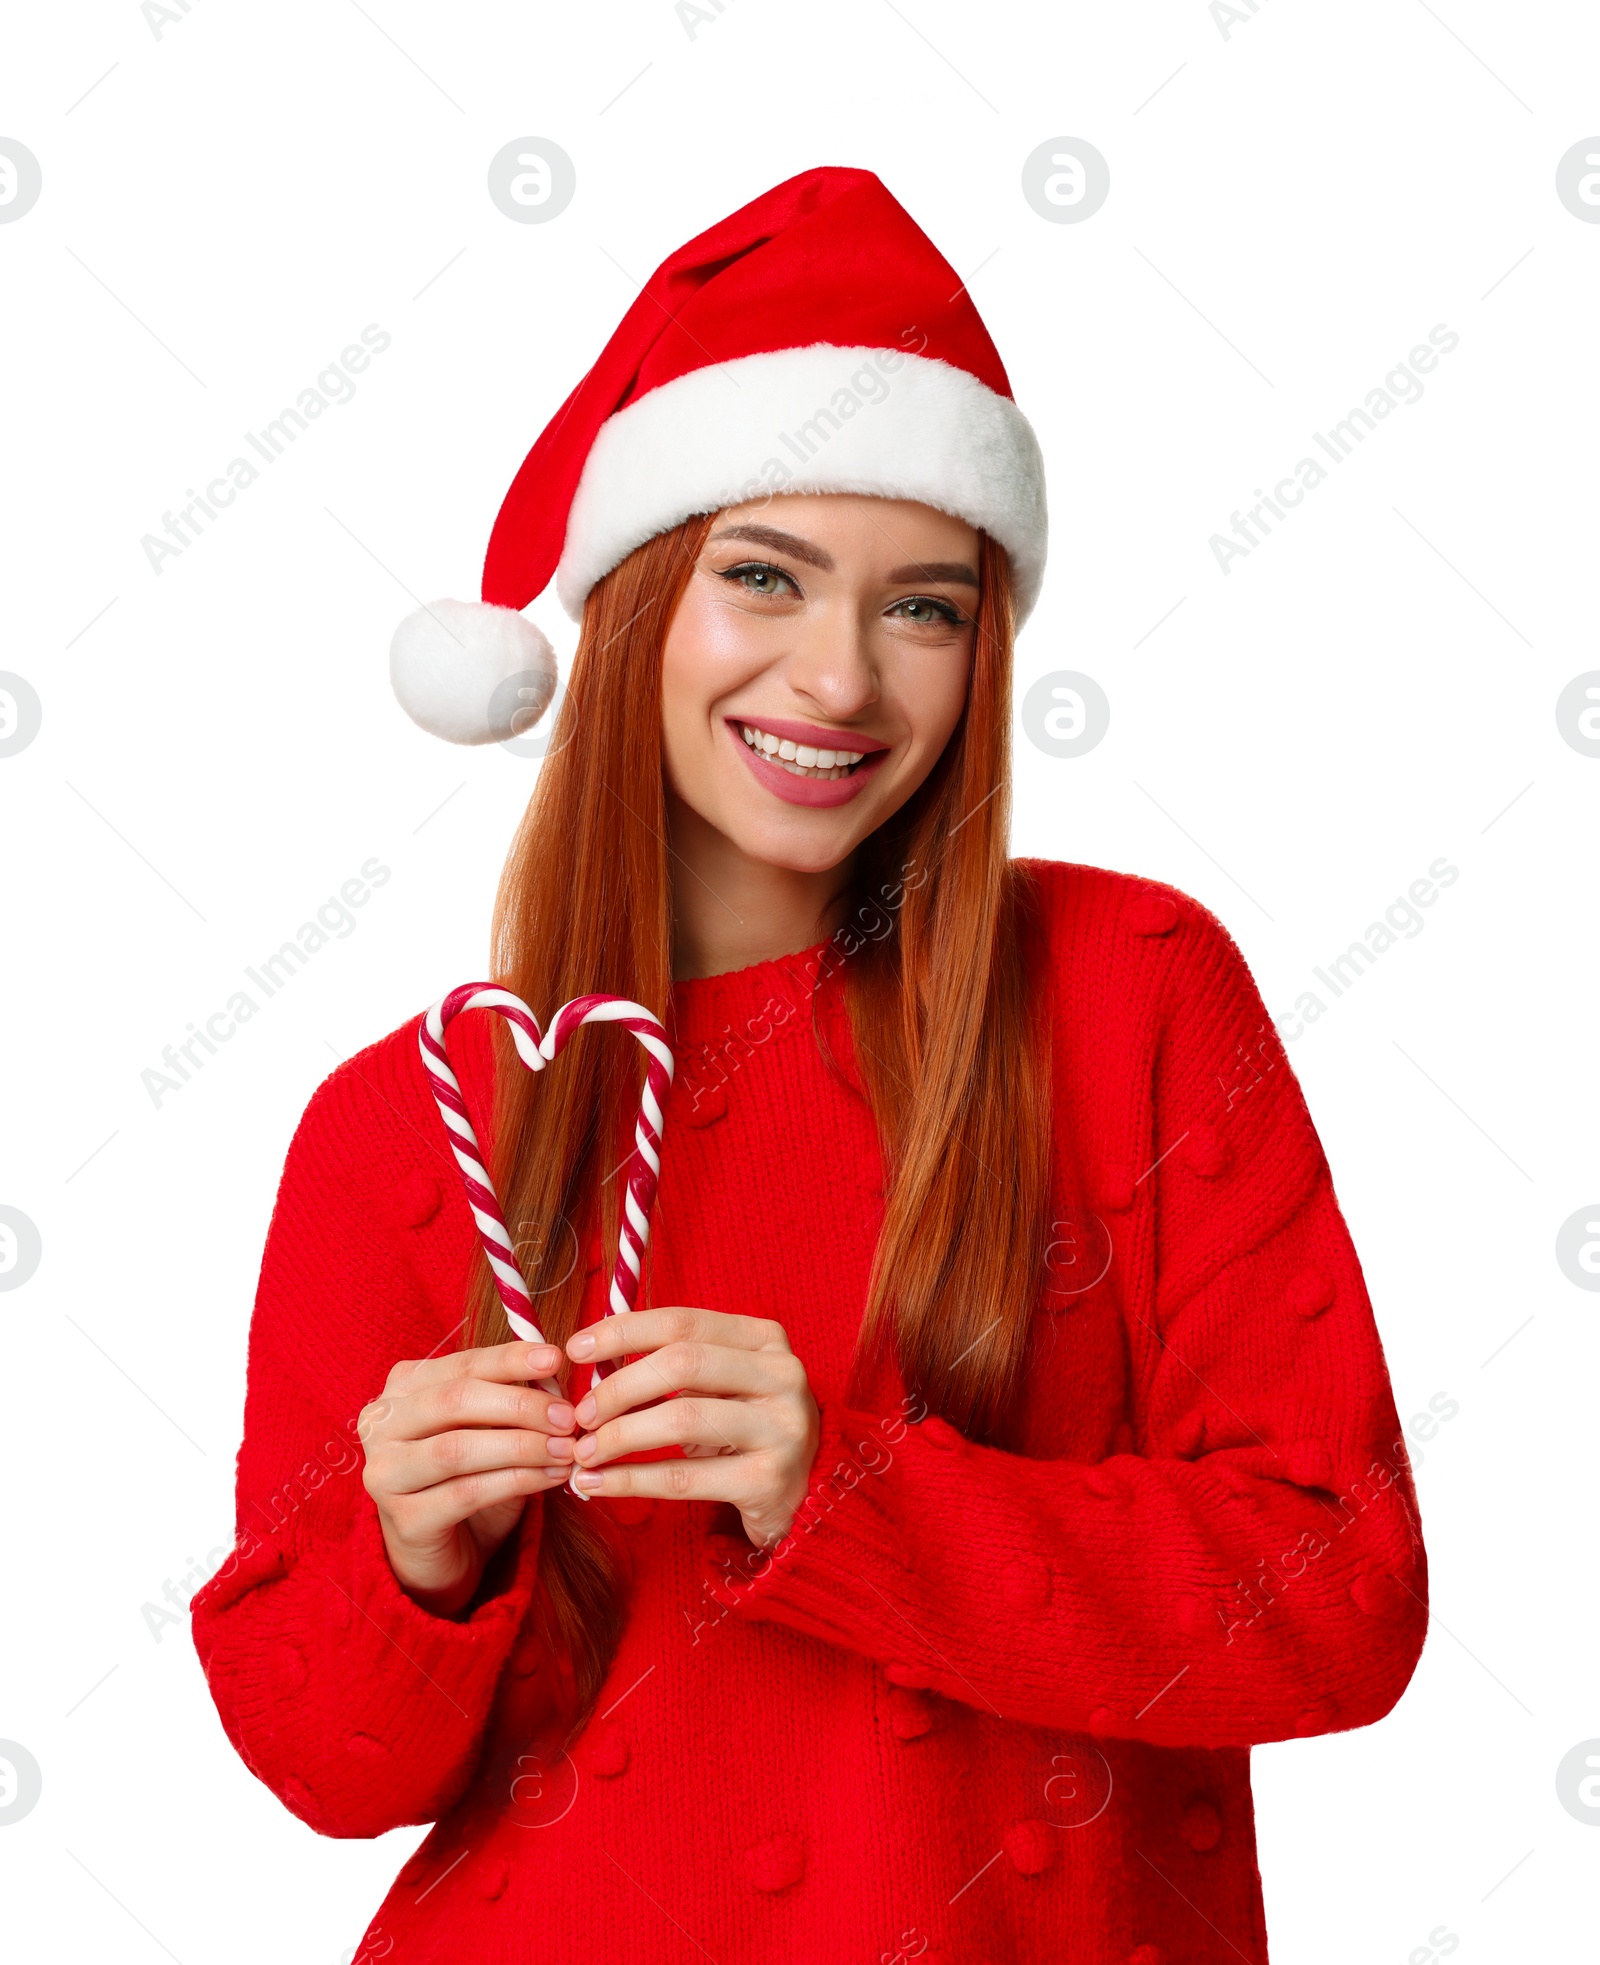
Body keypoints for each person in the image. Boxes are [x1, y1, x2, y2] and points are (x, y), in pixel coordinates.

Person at [192, 167, 1427, 1965]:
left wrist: (845, 1488)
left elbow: (1341, 1600)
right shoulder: (417, 1122)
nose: (841, 676)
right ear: (626, 616)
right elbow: (326, 1765)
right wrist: (412, 1556)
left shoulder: (1129, 987)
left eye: (926, 605)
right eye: (760, 577)